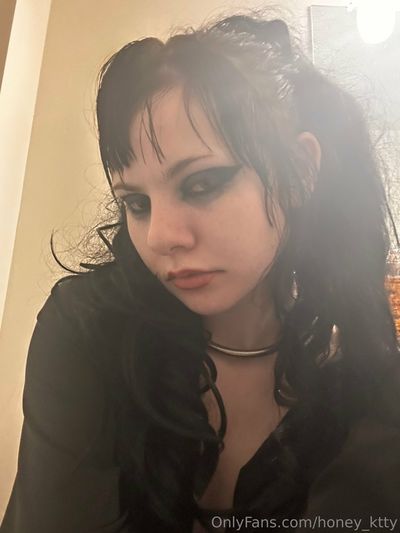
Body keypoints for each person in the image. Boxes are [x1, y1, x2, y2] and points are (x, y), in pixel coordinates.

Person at [1, 11, 400, 533]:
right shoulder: (87, 329)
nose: (160, 236)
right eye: (136, 203)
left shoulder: (364, 379)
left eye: (202, 184)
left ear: (300, 172)